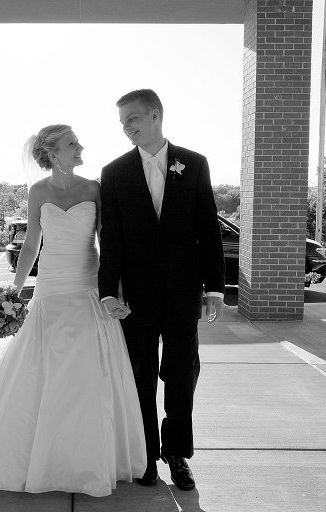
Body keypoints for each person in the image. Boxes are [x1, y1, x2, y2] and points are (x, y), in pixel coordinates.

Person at [0, 125, 146, 497]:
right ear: (54, 153)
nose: (80, 146)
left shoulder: (94, 189)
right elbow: (31, 245)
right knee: (38, 371)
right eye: (73, 143)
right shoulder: (38, 192)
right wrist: (13, 291)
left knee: (89, 374)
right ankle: (37, 460)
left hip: (88, 288)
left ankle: (86, 459)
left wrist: (115, 291)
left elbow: (108, 242)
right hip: (51, 289)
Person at [98, 89, 226, 491]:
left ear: (155, 115)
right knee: (140, 378)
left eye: (133, 119)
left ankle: (177, 454)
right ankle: (146, 456)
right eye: (122, 122)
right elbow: (111, 238)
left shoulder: (195, 163)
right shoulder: (114, 172)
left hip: (183, 294)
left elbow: (208, 229)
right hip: (135, 299)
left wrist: (215, 288)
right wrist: (108, 291)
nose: (126, 128)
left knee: (181, 377)